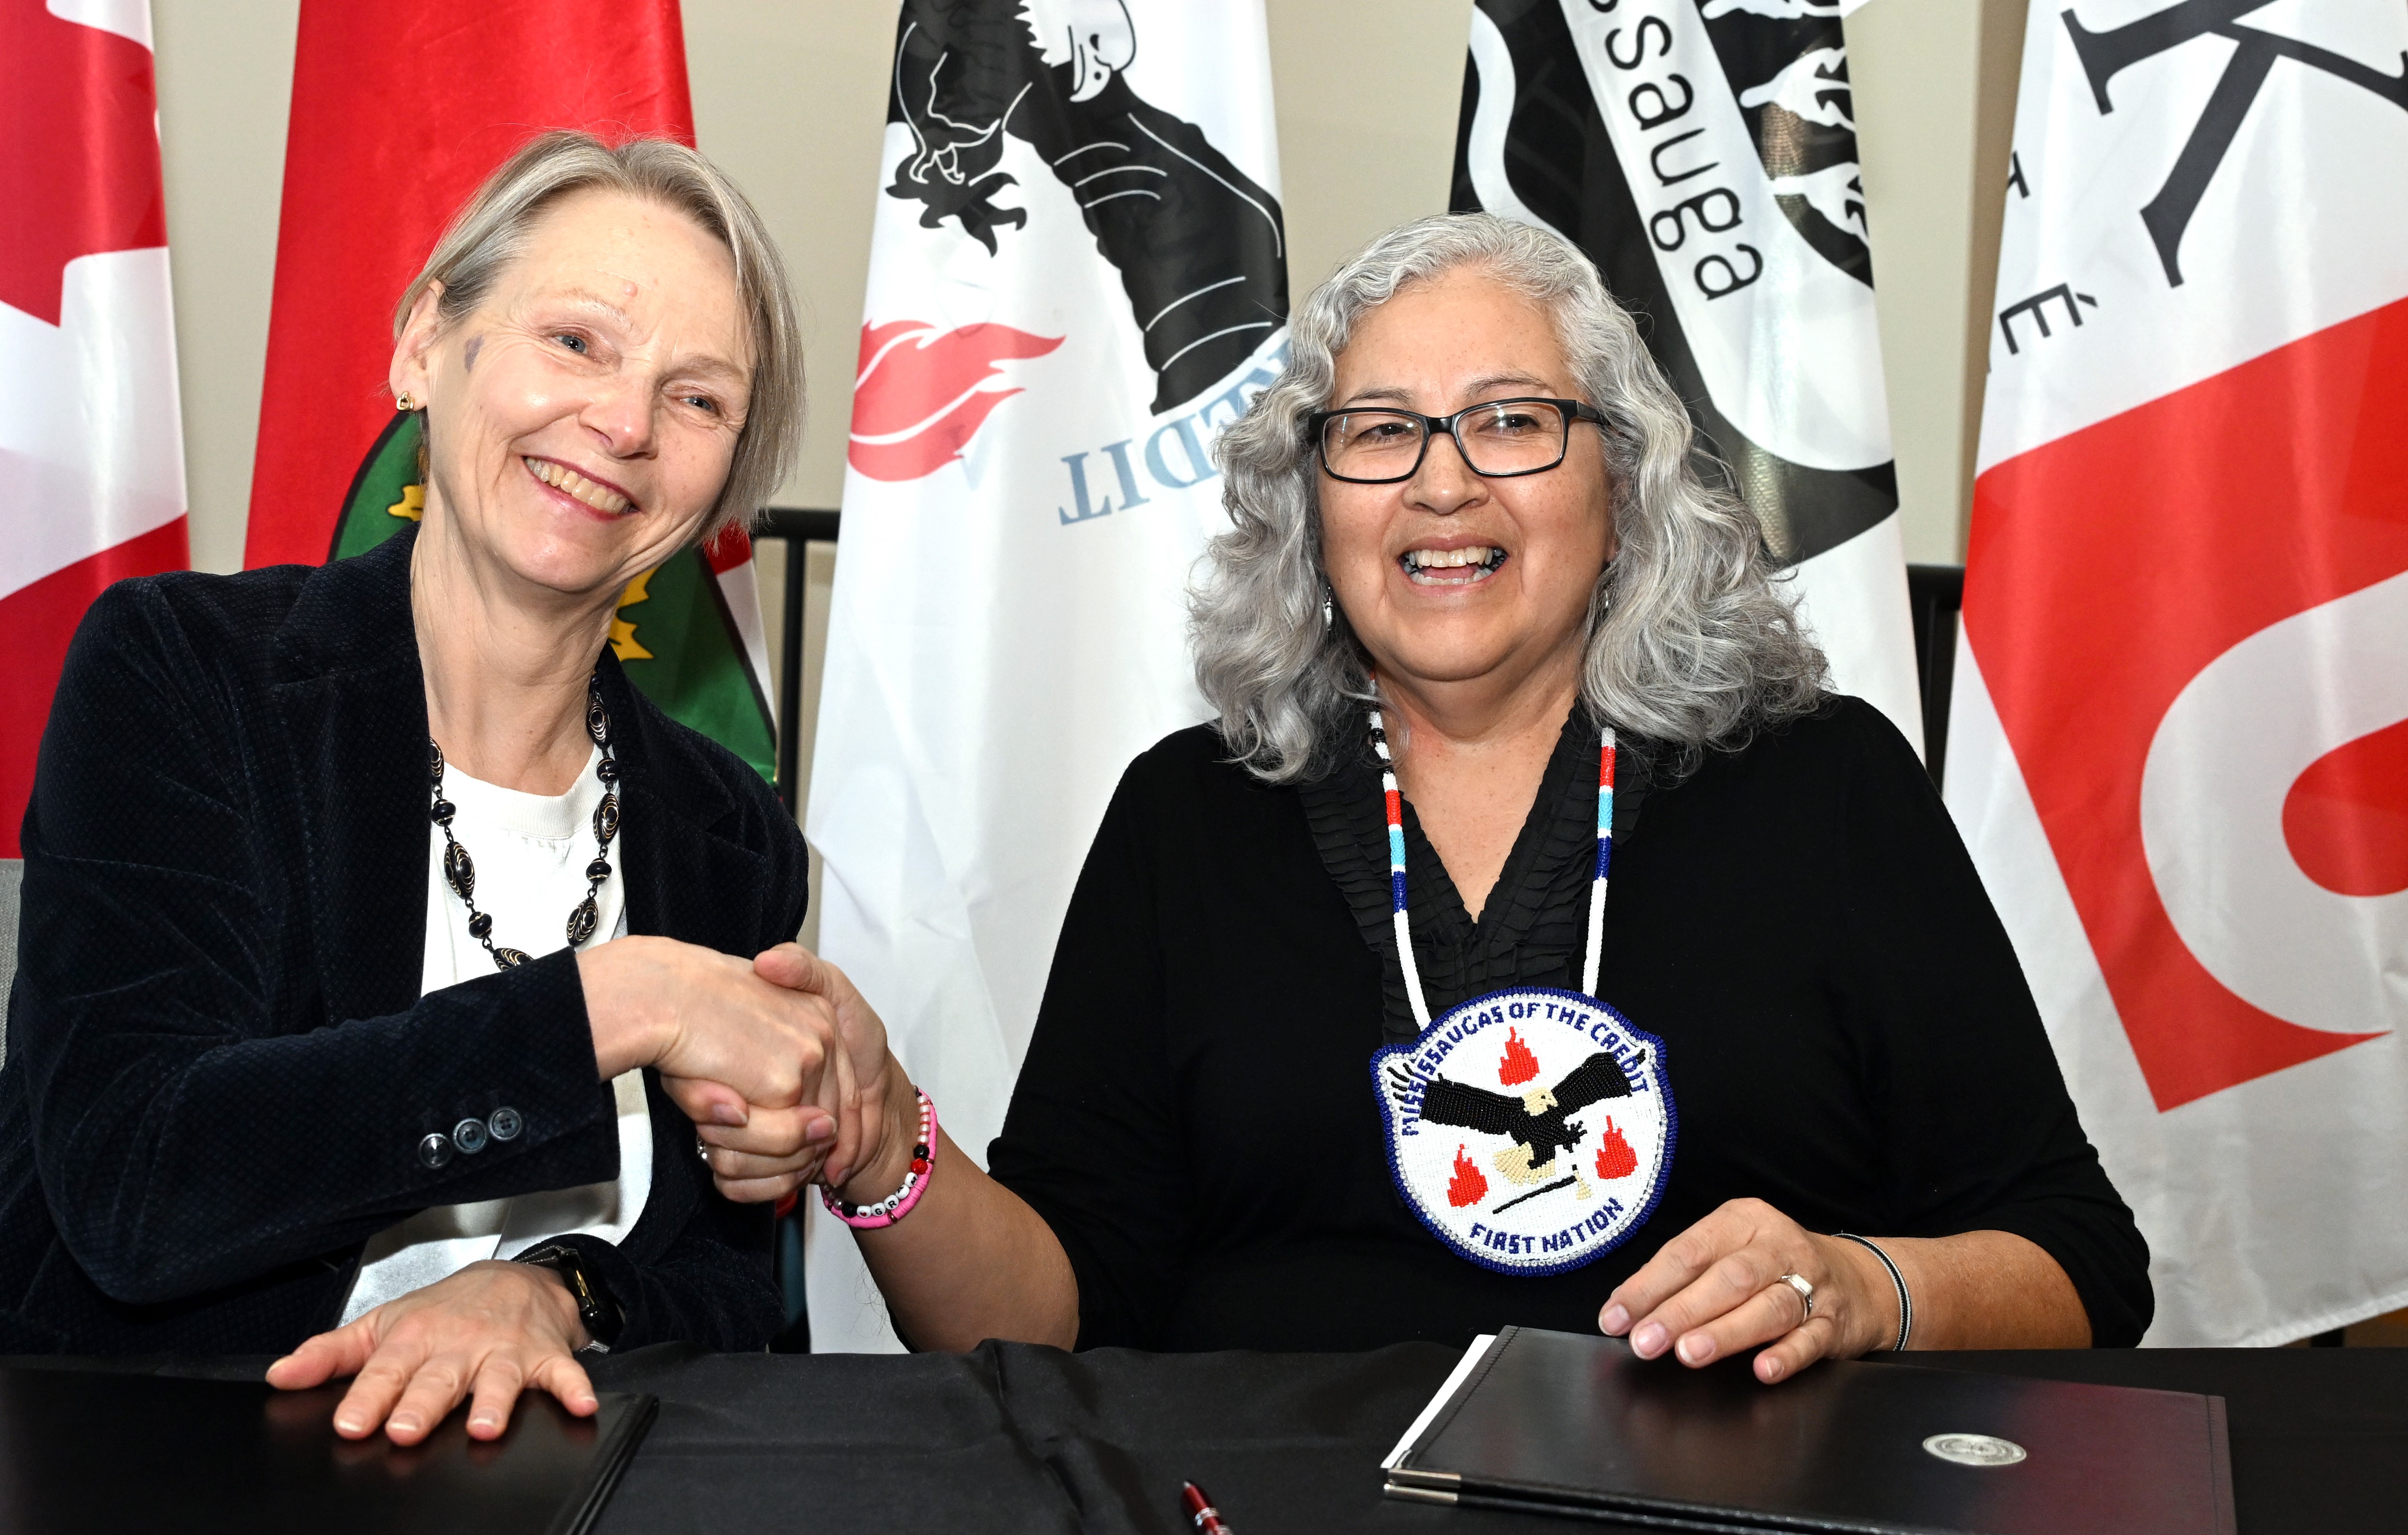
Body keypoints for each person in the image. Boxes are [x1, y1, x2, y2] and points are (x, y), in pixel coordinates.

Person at [720, 213, 2151, 1376]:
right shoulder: (1192, 816)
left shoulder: (1822, 787)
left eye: (1512, 421)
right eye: (1379, 432)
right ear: (1311, 502)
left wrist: (1859, 1285)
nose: (1442, 485)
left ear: (1625, 486)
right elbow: (1046, 1320)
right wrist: (885, 1139)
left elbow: (2081, 1263)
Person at [0, 136, 850, 1443]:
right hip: (107, 1461)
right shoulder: (182, 673)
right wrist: (614, 1003)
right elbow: (139, 1181)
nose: (622, 424)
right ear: (423, 347)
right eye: (574, 341)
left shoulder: (731, 832)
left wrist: (551, 1288)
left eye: (697, 400)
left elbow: (721, 1280)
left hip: (530, 1506)